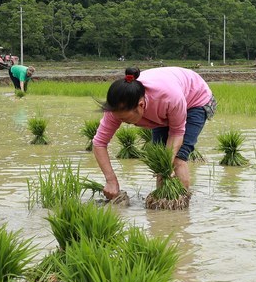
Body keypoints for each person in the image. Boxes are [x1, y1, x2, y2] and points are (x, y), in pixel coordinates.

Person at [92, 66, 216, 199]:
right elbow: (99, 143)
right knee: (160, 159)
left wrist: (168, 165)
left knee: (177, 158)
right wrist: (111, 180)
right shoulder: (116, 109)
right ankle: (162, 207)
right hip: (162, 109)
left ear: (141, 105)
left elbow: (176, 133)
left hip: (195, 100)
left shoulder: (169, 97)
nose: (122, 121)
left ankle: (181, 207)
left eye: (125, 119)